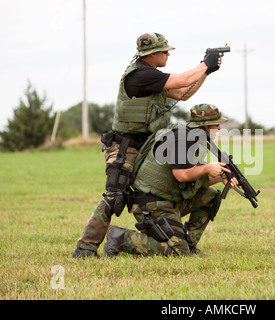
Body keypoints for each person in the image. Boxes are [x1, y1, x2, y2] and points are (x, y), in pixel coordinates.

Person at [72, 33, 223, 258]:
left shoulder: (151, 78)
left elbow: (183, 93)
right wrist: (203, 64)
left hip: (143, 146)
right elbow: (182, 80)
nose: (168, 54)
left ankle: (166, 234)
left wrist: (206, 72)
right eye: (165, 51)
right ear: (152, 55)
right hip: (124, 146)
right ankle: (85, 248)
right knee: (115, 196)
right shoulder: (140, 75)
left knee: (150, 191)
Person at [103, 104, 238, 257]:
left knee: (211, 195)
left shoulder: (192, 137)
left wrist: (221, 177)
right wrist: (207, 168)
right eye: (216, 124)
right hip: (152, 204)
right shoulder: (183, 139)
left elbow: (193, 177)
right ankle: (121, 237)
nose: (219, 128)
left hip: (167, 200)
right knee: (178, 252)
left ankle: (189, 243)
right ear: (204, 125)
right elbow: (181, 175)